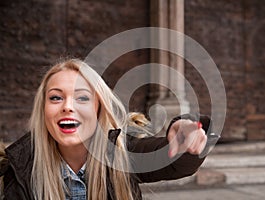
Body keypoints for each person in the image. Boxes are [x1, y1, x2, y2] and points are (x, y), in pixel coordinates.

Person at [0, 59, 212, 200]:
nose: (67, 106)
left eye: (82, 97)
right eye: (56, 97)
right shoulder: (21, 168)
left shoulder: (122, 153)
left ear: (98, 108)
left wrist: (185, 134)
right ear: (43, 110)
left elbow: (178, 163)